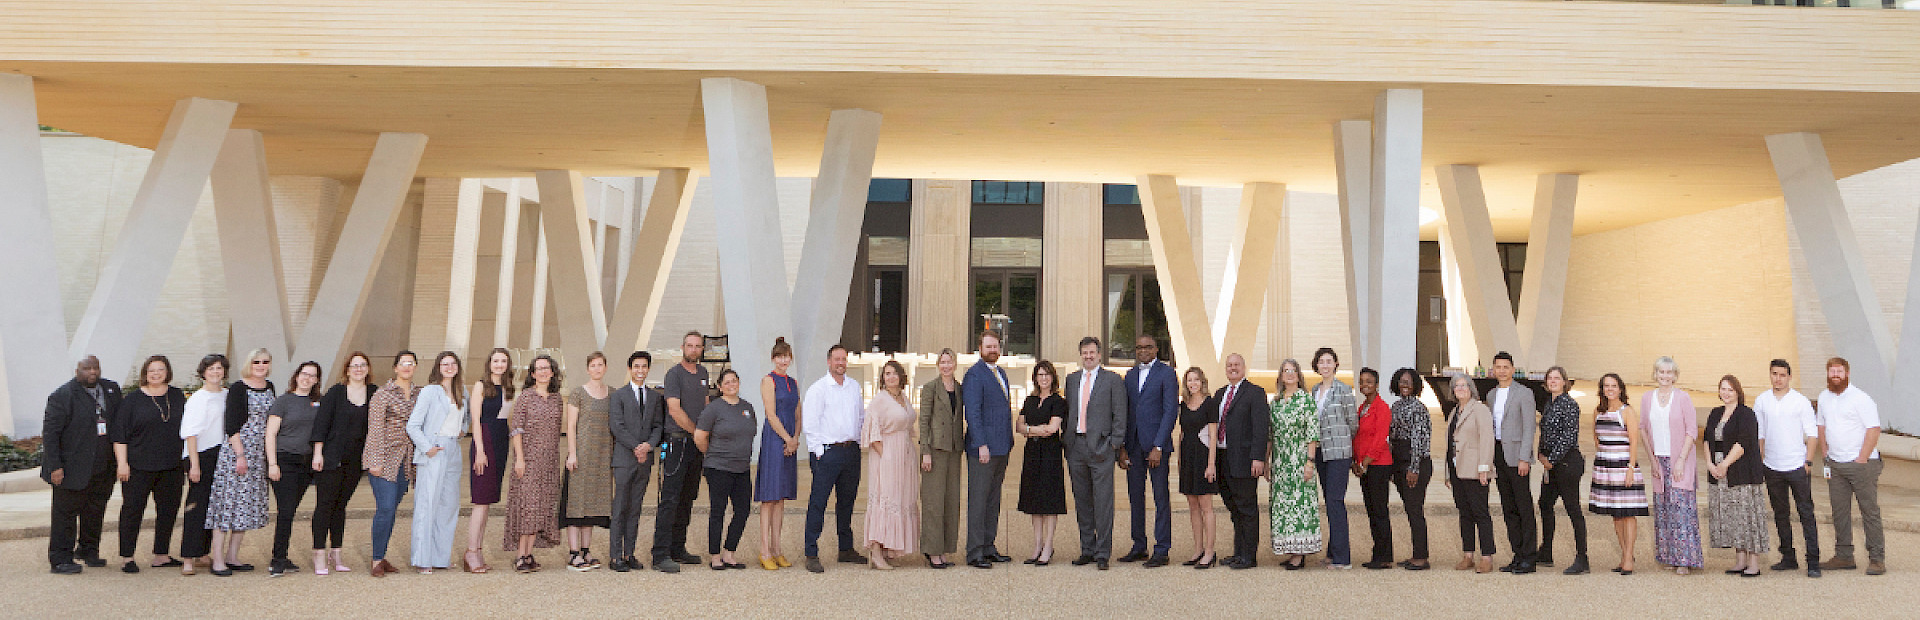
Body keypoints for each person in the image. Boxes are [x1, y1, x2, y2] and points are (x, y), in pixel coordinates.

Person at [42, 356, 122, 575]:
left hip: (103, 466)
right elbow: (50, 435)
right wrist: (54, 466)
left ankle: (88, 550)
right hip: (70, 468)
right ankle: (60, 558)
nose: (92, 372)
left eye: (96, 367)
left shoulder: (111, 389)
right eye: (87, 368)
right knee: (65, 515)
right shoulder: (62, 396)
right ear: (77, 370)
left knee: (95, 511)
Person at [112, 355, 187, 574]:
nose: (155, 374)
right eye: (151, 370)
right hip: (138, 467)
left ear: (167, 372)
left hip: (171, 466)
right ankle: (127, 557)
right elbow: (119, 435)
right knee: (132, 511)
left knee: (168, 511)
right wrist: (122, 463)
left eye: (160, 369)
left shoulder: (177, 395)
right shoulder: (132, 401)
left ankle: (161, 555)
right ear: (145, 373)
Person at [206, 348, 275, 576]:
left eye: (265, 361)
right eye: (256, 361)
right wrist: (240, 455)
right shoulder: (238, 388)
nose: (261, 365)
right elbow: (231, 425)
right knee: (226, 505)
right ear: (249, 363)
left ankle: (233, 556)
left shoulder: (270, 386)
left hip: (258, 454)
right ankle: (217, 559)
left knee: (244, 507)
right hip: (237, 453)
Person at [801, 344, 867, 572]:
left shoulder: (853, 387)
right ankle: (811, 551)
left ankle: (845, 549)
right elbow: (810, 424)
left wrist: (858, 442)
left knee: (847, 502)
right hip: (827, 452)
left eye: (844, 359)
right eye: (837, 359)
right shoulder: (818, 389)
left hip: (850, 452)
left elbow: (861, 417)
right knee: (818, 502)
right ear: (829, 362)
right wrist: (819, 452)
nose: (841, 363)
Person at [1816, 357, 1885, 575]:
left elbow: (1873, 429)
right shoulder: (1823, 397)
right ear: (1827, 374)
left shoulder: (1861, 398)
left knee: (1869, 511)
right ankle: (1844, 556)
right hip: (1835, 465)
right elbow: (1821, 426)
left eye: (1839, 371)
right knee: (1839, 512)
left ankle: (1877, 558)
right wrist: (1825, 452)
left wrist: (1862, 458)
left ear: (1847, 374)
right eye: (1832, 371)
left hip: (1862, 465)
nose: (1835, 375)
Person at [1063, 337, 1128, 571]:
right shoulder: (1071, 380)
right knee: (1082, 501)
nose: (1088, 356)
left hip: (1102, 448)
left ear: (1100, 355)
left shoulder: (1112, 380)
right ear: (1080, 355)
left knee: (1103, 503)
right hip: (1076, 447)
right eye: (1084, 352)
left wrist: (1114, 444)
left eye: (1092, 352)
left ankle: (1103, 552)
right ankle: (1087, 549)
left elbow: (1120, 415)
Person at [1754, 359, 1820, 577]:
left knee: (1806, 513)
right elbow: (1760, 434)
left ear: (1789, 377)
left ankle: (1813, 561)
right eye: (1774, 374)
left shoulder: (1800, 402)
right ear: (1770, 374)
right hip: (1772, 466)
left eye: (1782, 375)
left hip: (1796, 466)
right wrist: (1759, 462)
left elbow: (1812, 434)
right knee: (1780, 514)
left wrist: (1808, 462)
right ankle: (1788, 557)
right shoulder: (1762, 400)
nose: (1778, 378)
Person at [310, 352, 373, 576]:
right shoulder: (336, 393)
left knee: (341, 505)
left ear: (367, 368)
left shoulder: (373, 393)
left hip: (355, 461)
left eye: (362, 365)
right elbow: (321, 425)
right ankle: (318, 552)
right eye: (354, 365)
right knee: (325, 505)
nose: (358, 369)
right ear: (347, 370)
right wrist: (318, 454)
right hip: (331, 457)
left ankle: (336, 553)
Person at [405, 351, 466, 574]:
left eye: (452, 364)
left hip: (453, 449)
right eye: (444, 364)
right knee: (427, 504)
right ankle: (422, 558)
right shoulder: (431, 391)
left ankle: (441, 557)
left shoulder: (461, 391)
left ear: (458, 366)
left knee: (449, 505)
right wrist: (427, 447)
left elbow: (464, 420)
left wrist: (462, 431)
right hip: (434, 449)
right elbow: (413, 425)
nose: (449, 367)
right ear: (438, 367)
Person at [652, 331, 708, 573]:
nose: (693, 350)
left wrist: (705, 434)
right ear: (683, 347)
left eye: (697, 346)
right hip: (677, 443)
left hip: (697, 444)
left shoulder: (704, 374)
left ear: (702, 349)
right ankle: (660, 554)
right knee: (670, 499)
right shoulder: (674, 374)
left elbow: (706, 407)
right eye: (689, 345)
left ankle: (678, 548)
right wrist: (697, 432)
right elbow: (674, 410)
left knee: (688, 497)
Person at [362, 350, 421, 577]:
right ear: (395, 368)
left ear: (415, 367)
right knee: (385, 508)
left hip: (407, 460)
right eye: (403, 363)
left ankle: (382, 554)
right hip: (384, 457)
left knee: (392, 510)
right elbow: (375, 430)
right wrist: (375, 461)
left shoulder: (419, 394)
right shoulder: (382, 394)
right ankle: (376, 559)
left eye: (411, 363)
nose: (407, 367)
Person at [1120, 335, 1177, 567]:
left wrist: (1159, 446)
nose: (1143, 351)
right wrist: (1122, 447)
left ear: (1155, 349)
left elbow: (1170, 411)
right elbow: (1124, 412)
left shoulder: (1167, 374)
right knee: (1135, 498)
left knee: (1160, 498)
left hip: (1156, 448)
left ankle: (1162, 550)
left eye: (1147, 347)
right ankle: (1139, 545)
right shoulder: (1130, 375)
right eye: (1139, 347)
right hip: (1133, 446)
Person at [505, 355, 565, 573]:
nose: (542, 372)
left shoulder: (557, 398)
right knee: (528, 508)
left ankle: (529, 554)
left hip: (549, 462)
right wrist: (520, 458)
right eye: (538, 369)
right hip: (528, 459)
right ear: (532, 374)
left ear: (552, 372)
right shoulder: (525, 397)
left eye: (546, 368)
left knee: (540, 507)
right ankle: (520, 556)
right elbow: (517, 429)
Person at [1642, 356, 1701, 575]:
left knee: (1681, 509)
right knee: (1663, 509)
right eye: (1661, 372)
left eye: (1669, 373)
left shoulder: (1683, 398)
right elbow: (1643, 430)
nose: (1665, 376)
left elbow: (1692, 431)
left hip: (1680, 460)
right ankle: (1669, 555)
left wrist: (1681, 460)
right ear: (1655, 374)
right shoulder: (1647, 398)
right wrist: (1653, 461)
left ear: (1675, 375)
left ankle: (1685, 559)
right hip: (1659, 460)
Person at [694, 369, 758, 570]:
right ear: (720, 387)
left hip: (742, 468)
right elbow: (699, 436)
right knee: (718, 511)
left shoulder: (748, 408)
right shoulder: (714, 409)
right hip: (718, 468)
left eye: (735, 381)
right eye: (727, 382)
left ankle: (729, 553)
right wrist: (711, 455)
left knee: (743, 510)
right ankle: (714, 556)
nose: (732, 384)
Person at [861, 361, 922, 569]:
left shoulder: (903, 398)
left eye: (894, 373)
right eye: (887, 373)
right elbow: (872, 431)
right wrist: (885, 455)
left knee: (900, 498)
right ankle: (875, 551)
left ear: (901, 376)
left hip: (904, 454)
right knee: (883, 499)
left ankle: (888, 547)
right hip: (887, 455)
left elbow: (907, 425)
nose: (891, 377)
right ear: (882, 378)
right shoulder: (879, 400)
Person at [264, 361, 324, 577]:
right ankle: (277, 559)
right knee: (286, 511)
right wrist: (272, 464)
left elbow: (321, 433)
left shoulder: (318, 402)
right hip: (284, 461)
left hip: (306, 463)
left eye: (312, 376)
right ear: (296, 376)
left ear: (317, 380)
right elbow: (270, 434)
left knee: (291, 510)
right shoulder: (283, 401)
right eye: (304, 374)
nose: (307, 378)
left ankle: (283, 555)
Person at [1706, 375, 1769, 577]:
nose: (1726, 393)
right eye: (1723, 389)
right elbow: (1707, 440)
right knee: (1732, 518)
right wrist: (1710, 464)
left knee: (1747, 517)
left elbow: (1744, 442)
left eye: (1730, 390)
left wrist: (1724, 464)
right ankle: (1740, 560)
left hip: (1742, 474)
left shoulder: (1746, 414)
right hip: (1719, 473)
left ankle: (1753, 563)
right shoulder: (1715, 413)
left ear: (1738, 392)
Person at [962, 330, 1015, 569]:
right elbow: (972, 413)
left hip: (1001, 447)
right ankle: (974, 552)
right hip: (982, 450)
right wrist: (981, 443)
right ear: (980, 349)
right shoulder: (974, 375)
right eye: (988, 347)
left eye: (995, 346)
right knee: (979, 500)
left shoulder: (1000, 372)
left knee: (993, 500)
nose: (992, 350)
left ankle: (988, 546)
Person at [1588, 373, 1649, 575]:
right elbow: (1596, 437)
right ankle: (1625, 556)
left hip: (1623, 467)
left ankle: (1629, 556)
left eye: (1614, 386)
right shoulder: (1598, 411)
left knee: (1628, 512)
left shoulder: (1627, 411)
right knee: (1616, 514)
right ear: (1602, 389)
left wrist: (1630, 468)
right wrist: (1603, 456)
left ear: (1620, 388)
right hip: (1606, 467)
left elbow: (1634, 441)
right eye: (1606, 386)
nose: (1610, 389)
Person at [608, 351, 662, 573]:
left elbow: (658, 426)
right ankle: (615, 556)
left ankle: (629, 553)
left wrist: (648, 446)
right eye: (636, 366)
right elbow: (617, 426)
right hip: (624, 458)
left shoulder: (655, 397)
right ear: (630, 369)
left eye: (644, 366)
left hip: (644, 459)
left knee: (635, 508)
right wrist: (636, 447)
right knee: (620, 507)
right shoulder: (618, 396)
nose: (640, 370)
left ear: (648, 369)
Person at [1212, 353, 1268, 570]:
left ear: (1244, 368)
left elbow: (1260, 428)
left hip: (1245, 460)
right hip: (1223, 458)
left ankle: (1249, 556)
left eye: (1236, 365)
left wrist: (1258, 458)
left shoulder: (1255, 393)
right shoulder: (1220, 394)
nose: (1232, 368)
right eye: (1229, 365)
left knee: (1247, 508)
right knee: (1233, 507)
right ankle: (1238, 552)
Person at [1485, 351, 1539, 574]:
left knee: (1524, 507)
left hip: (1517, 456)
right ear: (1494, 369)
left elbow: (1529, 428)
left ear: (1512, 369)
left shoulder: (1524, 393)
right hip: (1499, 454)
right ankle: (1517, 554)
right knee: (1508, 508)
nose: (1502, 370)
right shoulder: (1490, 395)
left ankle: (1529, 557)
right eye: (1498, 367)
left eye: (1506, 367)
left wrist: (1524, 458)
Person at [463, 348, 515, 574]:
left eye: (503, 361)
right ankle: (471, 552)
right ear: (489, 363)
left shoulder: (509, 388)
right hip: (485, 439)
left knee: (489, 501)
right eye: (496, 360)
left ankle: (478, 550)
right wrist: (480, 451)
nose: (499, 364)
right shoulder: (480, 386)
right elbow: (475, 420)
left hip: (501, 440)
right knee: (480, 501)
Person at [561, 352, 614, 571]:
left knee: (591, 506)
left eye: (600, 365)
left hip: (602, 456)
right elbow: (570, 426)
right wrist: (572, 453)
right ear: (587, 369)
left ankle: (586, 550)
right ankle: (573, 554)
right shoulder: (577, 394)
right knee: (576, 504)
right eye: (593, 365)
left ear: (605, 367)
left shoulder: (613, 394)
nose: (597, 369)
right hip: (581, 455)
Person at [1535, 366, 1589, 575]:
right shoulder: (1549, 403)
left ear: (1565, 382)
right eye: (1550, 378)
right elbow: (1545, 432)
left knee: (1573, 509)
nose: (1553, 381)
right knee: (1545, 503)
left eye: (1557, 378)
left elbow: (1569, 436)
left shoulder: (1570, 404)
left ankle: (1582, 557)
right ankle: (1546, 550)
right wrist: (1541, 454)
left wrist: (1552, 459)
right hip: (1551, 464)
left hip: (1566, 463)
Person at [1269, 358, 1321, 570]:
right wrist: (1266, 461)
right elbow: (1270, 435)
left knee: (1300, 506)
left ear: (1299, 375)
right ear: (1281, 376)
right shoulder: (1276, 402)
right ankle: (1290, 549)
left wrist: (1309, 462)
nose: (1289, 374)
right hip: (1281, 463)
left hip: (1299, 459)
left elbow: (1312, 433)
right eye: (1285, 371)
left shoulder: (1306, 400)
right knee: (1283, 506)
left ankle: (1300, 554)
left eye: (1293, 371)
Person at [1306, 348, 1357, 569]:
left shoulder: (1344, 390)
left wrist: (1343, 442)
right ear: (1316, 366)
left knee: (1336, 501)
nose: (1325, 365)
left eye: (1329, 361)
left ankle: (1342, 558)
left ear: (1336, 364)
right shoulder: (1314, 391)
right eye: (1321, 362)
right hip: (1320, 453)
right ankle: (1332, 550)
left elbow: (1353, 423)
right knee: (1329, 501)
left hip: (1338, 453)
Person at [178, 355, 227, 575]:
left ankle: (203, 552)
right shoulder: (198, 398)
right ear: (203, 372)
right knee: (196, 507)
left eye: (219, 368)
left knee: (214, 507)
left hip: (221, 454)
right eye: (211, 368)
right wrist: (194, 465)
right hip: (200, 454)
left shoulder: (227, 395)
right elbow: (190, 433)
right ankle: (188, 558)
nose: (215, 372)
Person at [917, 348, 966, 569]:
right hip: (935, 450)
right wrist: (925, 451)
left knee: (950, 501)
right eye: (942, 362)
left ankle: (945, 547)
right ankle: (932, 550)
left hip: (954, 449)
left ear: (955, 364)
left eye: (950, 362)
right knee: (933, 502)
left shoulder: (960, 389)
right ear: (938, 365)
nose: (946, 366)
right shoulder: (930, 389)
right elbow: (924, 421)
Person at [755, 339, 802, 570]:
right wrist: (787, 439)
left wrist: (795, 439)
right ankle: (764, 550)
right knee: (769, 497)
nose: (784, 360)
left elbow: (798, 413)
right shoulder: (768, 380)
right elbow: (771, 414)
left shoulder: (793, 382)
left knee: (781, 497)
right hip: (775, 439)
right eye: (780, 356)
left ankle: (777, 548)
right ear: (773, 358)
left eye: (787, 356)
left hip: (790, 440)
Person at [1015, 360, 1066, 565]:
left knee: (1049, 500)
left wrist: (1029, 429)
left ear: (1053, 377)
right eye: (1040, 374)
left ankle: (1048, 545)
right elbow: (1018, 425)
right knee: (1034, 500)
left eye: (1047, 374)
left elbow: (1052, 429)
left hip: (1051, 453)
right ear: (1035, 378)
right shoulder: (1029, 400)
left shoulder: (1058, 401)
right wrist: (1034, 430)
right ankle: (1037, 545)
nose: (1043, 378)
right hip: (1032, 452)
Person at [1445, 374, 1496, 574]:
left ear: (1471, 388)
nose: (1460, 388)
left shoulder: (1480, 409)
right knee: (1464, 514)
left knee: (1480, 513)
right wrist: (1448, 473)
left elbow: (1487, 439)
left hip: (1475, 470)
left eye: (1464, 385)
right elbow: (1451, 444)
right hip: (1458, 470)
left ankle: (1487, 557)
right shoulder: (1454, 412)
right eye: (1456, 386)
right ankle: (1468, 555)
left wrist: (1484, 467)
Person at [1351, 367, 1396, 570]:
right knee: (1371, 511)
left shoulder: (1382, 408)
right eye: (1361, 381)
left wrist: (1365, 461)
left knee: (1379, 511)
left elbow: (1380, 439)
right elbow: (1358, 437)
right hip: (1364, 466)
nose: (1364, 385)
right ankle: (1377, 554)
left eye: (1369, 381)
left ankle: (1385, 556)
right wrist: (1356, 461)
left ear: (1377, 384)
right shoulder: (1362, 408)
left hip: (1378, 465)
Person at [1175, 366, 1218, 569]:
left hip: (1203, 457)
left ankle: (1210, 551)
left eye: (1196, 380)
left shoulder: (1210, 404)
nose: (1193, 383)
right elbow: (1182, 433)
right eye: (1189, 380)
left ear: (1202, 382)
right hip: (1187, 457)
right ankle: (1198, 549)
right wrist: (1179, 460)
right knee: (1192, 505)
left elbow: (1213, 435)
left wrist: (1211, 465)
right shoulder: (1183, 405)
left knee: (1206, 506)